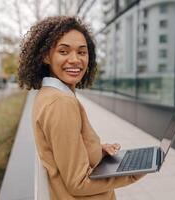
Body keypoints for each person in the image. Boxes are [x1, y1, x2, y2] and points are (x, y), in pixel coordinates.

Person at [18, 16, 145, 200]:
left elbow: (62, 150)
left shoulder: (48, 95)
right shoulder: (60, 103)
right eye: (63, 51)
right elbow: (78, 183)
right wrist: (132, 173)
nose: (75, 60)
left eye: (82, 52)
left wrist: (96, 149)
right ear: (46, 56)